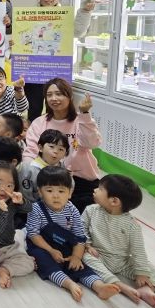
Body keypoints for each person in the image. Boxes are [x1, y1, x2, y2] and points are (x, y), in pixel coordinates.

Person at [25, 166, 120, 302]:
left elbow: (79, 238)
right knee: (44, 261)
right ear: (40, 192)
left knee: (79, 266)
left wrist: (76, 256)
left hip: (65, 245)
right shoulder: (36, 209)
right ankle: (68, 284)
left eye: (61, 191)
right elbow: (34, 234)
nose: (56, 195)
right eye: (49, 190)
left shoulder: (72, 210)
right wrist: (51, 250)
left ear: (70, 193)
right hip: (42, 246)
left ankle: (99, 286)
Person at [82, 175, 155, 308]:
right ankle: (119, 285)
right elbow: (81, 228)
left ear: (114, 201)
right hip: (98, 255)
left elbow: (138, 251)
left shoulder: (131, 225)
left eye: (100, 189)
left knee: (150, 268)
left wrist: (141, 273)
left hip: (122, 261)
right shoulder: (91, 210)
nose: (95, 190)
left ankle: (148, 289)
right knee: (84, 256)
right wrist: (87, 244)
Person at [24, 78, 101, 213]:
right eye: (49, 95)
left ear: (70, 96)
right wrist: (31, 174)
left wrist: (85, 114)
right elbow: (30, 152)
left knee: (80, 216)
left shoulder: (80, 120)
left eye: (59, 94)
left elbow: (92, 143)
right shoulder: (39, 123)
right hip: (49, 178)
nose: (54, 98)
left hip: (82, 180)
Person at [24, 0, 96, 120]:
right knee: (34, 107)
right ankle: (33, 132)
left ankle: (56, 132)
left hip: (57, 68)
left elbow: (78, 32)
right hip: (34, 69)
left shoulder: (65, 16)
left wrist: (85, 12)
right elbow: (24, 38)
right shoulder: (28, 16)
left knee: (57, 107)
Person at [0, 161, 35, 288]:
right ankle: (1, 270)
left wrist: (22, 201)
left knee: (20, 233)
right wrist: (3, 212)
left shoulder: (10, 200)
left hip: (8, 242)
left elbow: (29, 209)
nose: (3, 189)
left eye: (9, 185)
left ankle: (14, 258)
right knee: (29, 264)